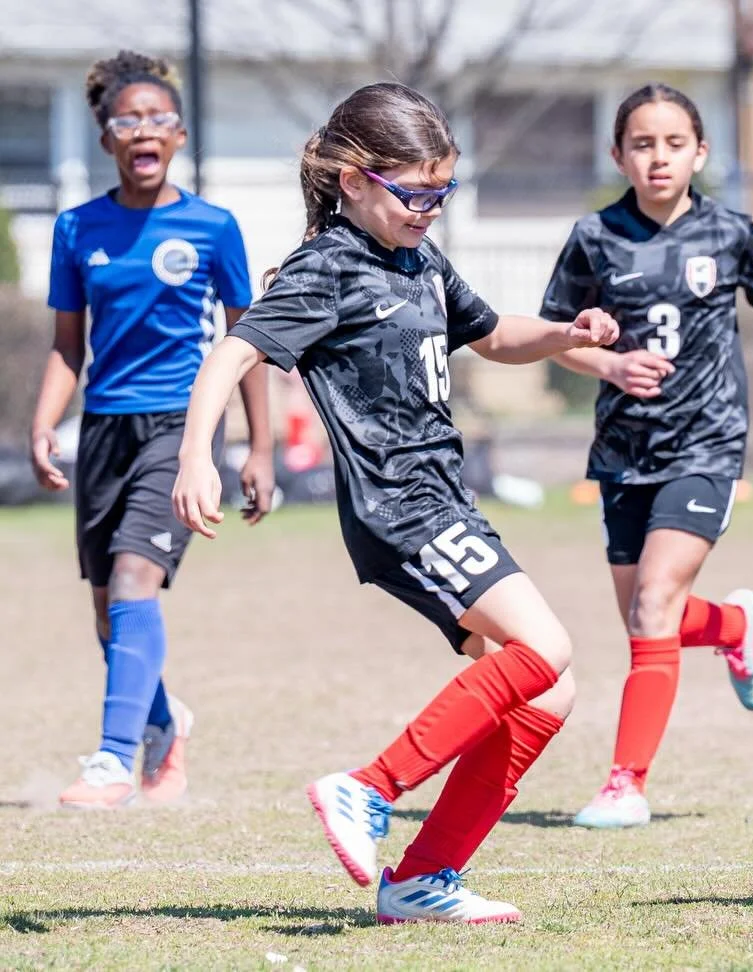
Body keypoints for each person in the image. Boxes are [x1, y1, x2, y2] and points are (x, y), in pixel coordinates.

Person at [171, 82, 620, 925]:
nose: (430, 210)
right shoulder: (328, 264)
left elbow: (491, 336)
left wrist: (565, 334)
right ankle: (368, 788)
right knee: (546, 647)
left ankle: (422, 878)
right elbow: (232, 353)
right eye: (415, 194)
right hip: (402, 505)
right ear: (354, 181)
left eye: (441, 193)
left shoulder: (419, 259)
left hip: (443, 498)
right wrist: (200, 456)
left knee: (545, 692)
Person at [540, 82, 753, 828]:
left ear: (700, 152)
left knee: (651, 605)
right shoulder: (594, 237)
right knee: (646, 615)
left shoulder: (730, 231)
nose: (659, 157)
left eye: (674, 143)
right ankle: (735, 629)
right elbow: (552, 336)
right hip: (622, 449)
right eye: (642, 143)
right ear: (618, 155)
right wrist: (605, 360)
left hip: (707, 441)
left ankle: (625, 785)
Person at [31, 50, 274, 809]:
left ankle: (111, 760)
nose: (143, 129)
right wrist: (45, 423)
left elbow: (249, 342)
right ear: (106, 136)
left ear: (178, 136)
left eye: (158, 118)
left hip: (182, 428)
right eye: (127, 118)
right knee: (110, 608)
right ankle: (166, 725)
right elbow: (69, 345)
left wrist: (259, 446)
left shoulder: (212, 227)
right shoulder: (78, 228)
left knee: (139, 579)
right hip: (105, 429)